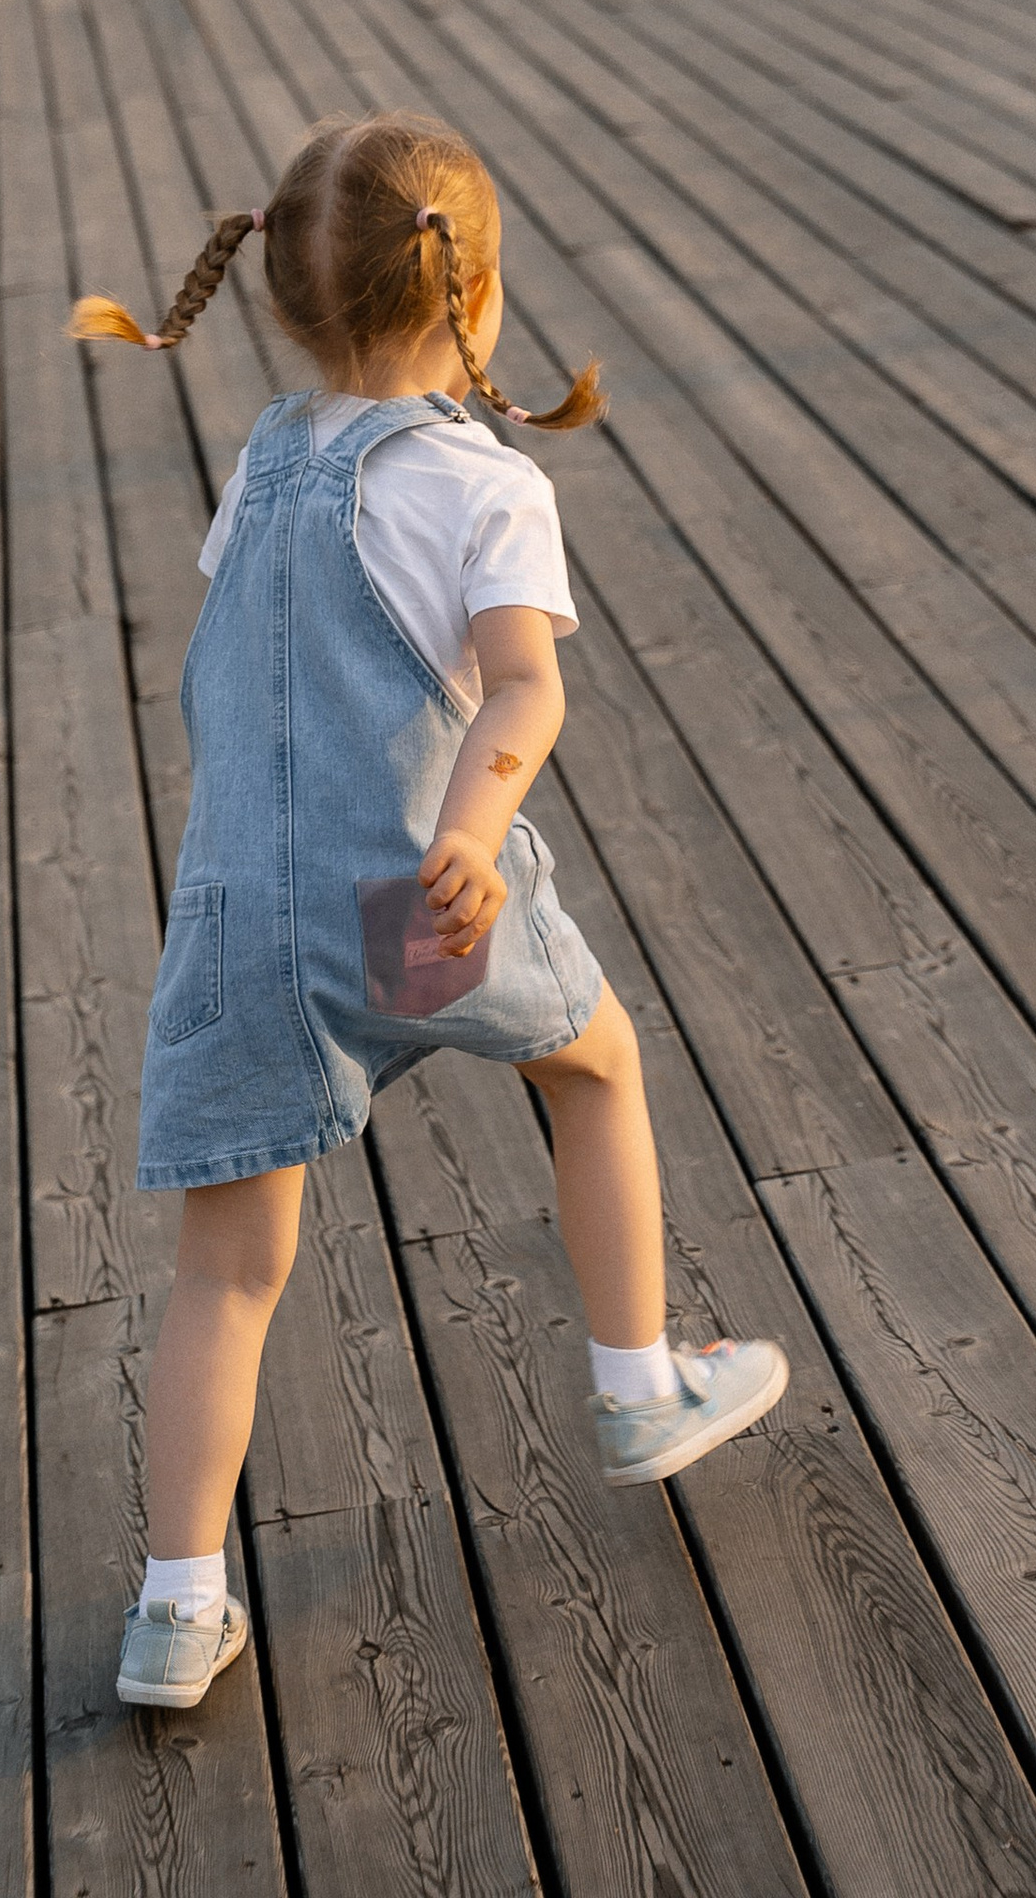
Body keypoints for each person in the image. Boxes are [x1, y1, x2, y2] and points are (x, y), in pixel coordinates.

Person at [70, 109, 786, 1716]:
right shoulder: (485, 487)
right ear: (476, 298)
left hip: (244, 917)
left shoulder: (260, 464)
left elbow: (255, 661)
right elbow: (521, 688)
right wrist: (473, 826)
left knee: (227, 1272)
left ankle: (178, 1607)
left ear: (285, 302)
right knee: (594, 1072)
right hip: (413, 899)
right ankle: (633, 1384)